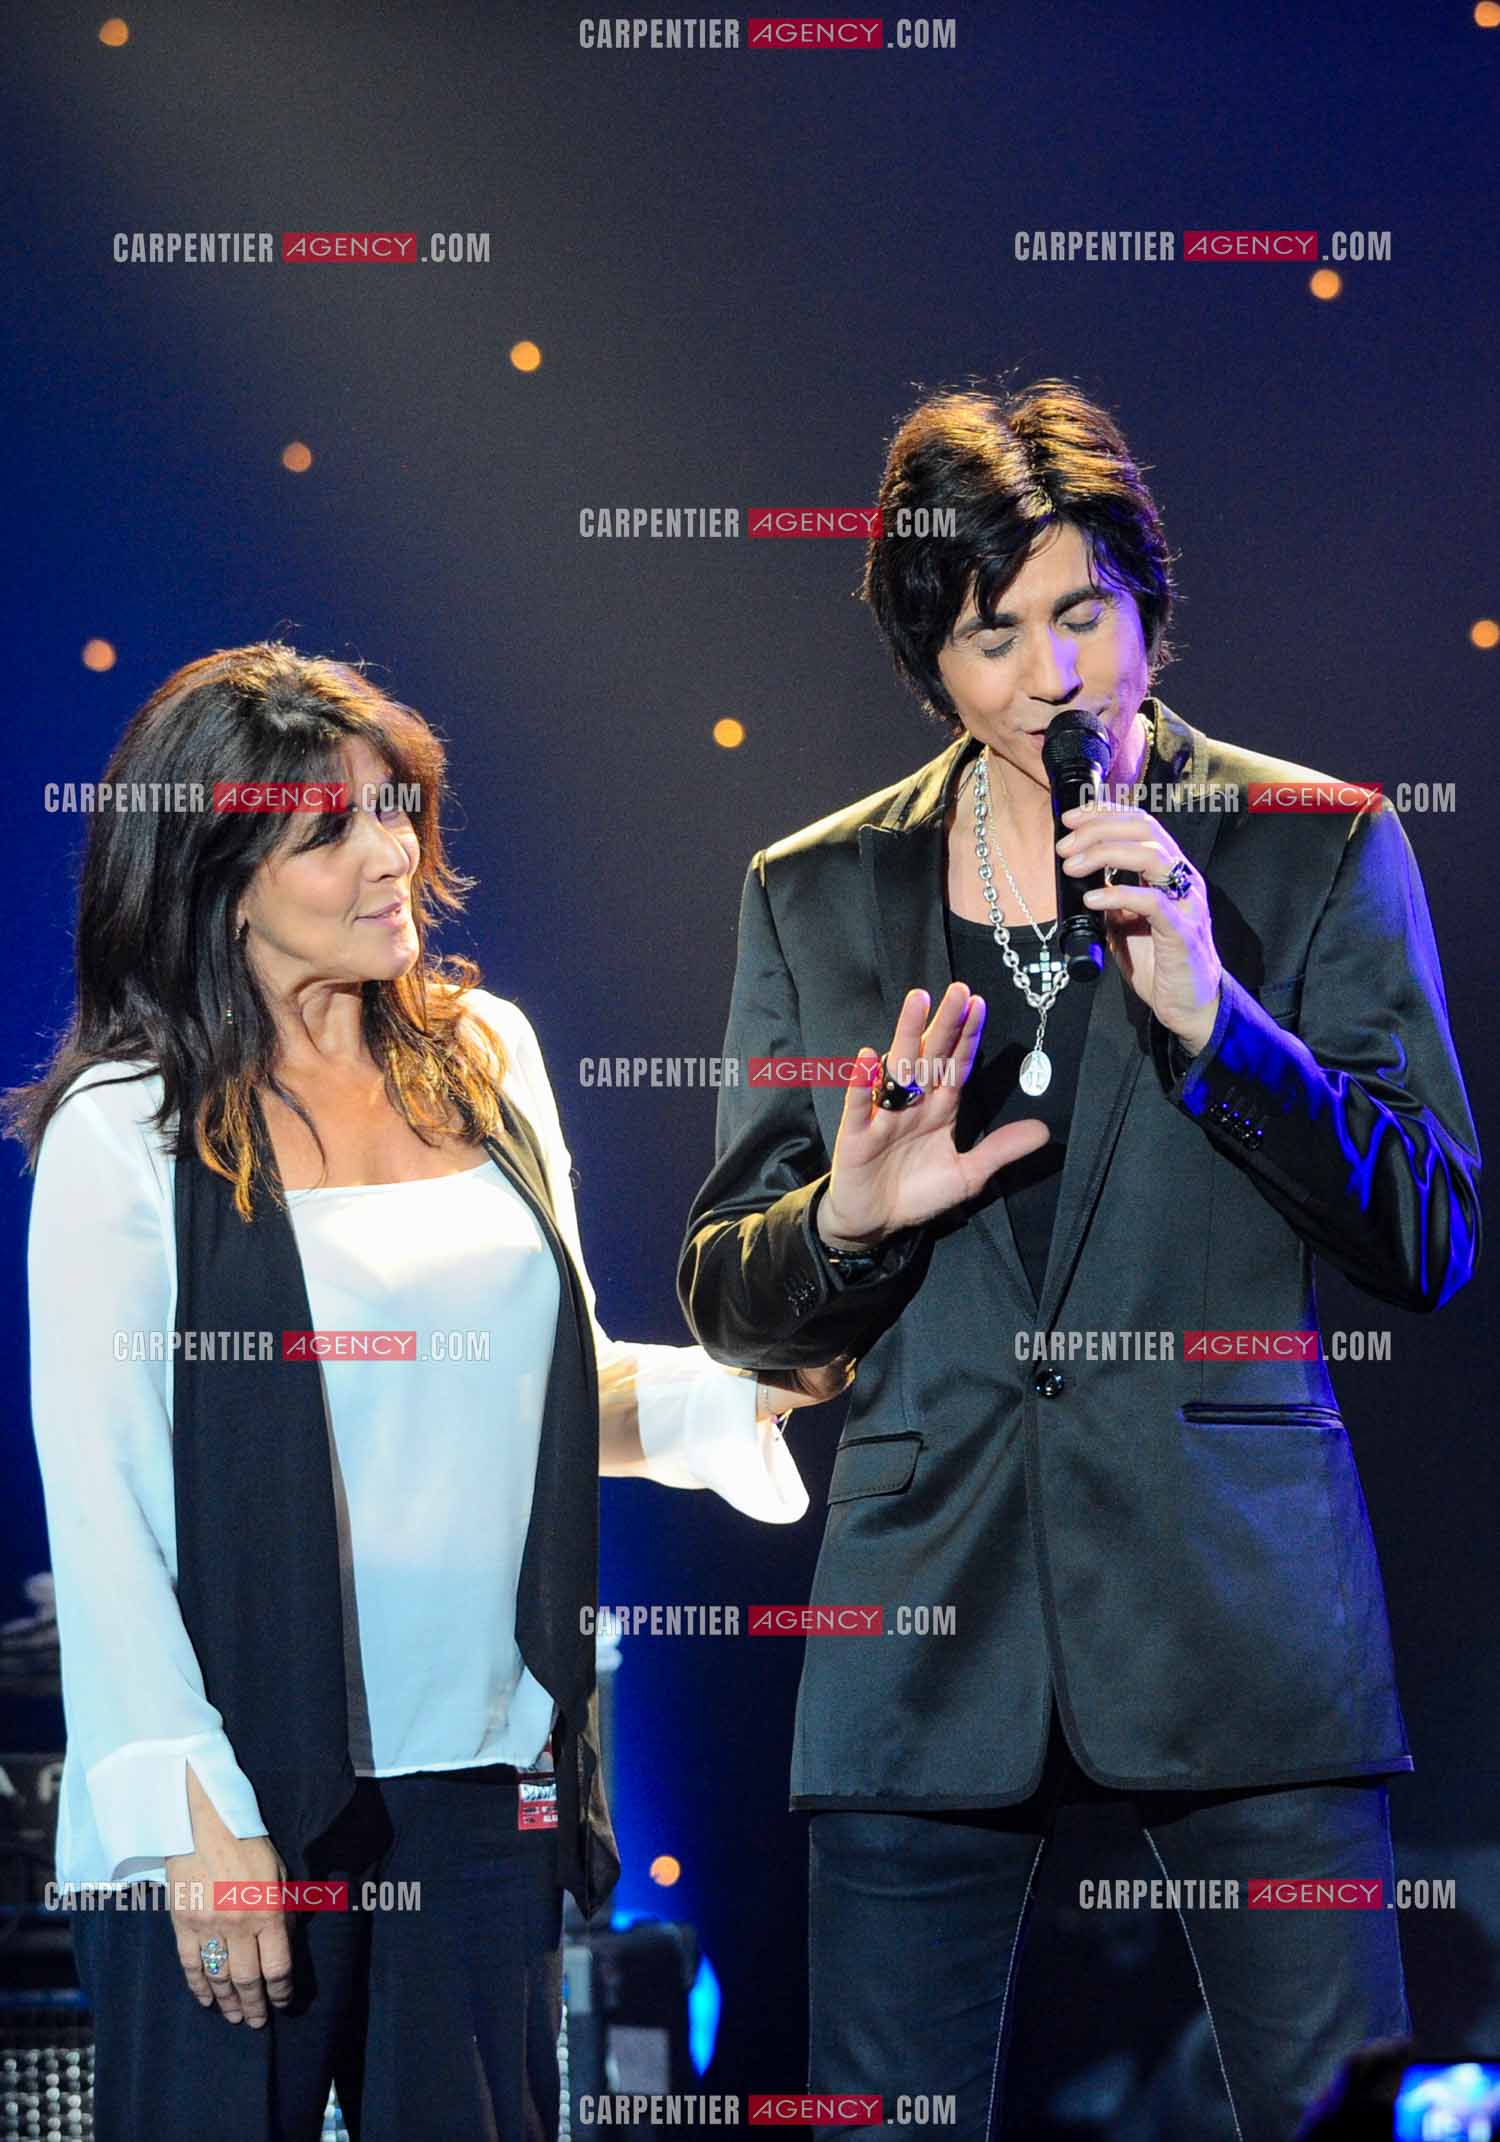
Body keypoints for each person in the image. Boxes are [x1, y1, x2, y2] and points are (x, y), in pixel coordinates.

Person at [676, 379, 1482, 2141]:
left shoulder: (1315, 841)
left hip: (1243, 1613)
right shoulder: (815, 893)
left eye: (1085, 615)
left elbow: (1435, 1230)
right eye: (996, 637)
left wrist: (1221, 1022)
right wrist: (846, 1220)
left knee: (1341, 2112)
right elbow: (728, 1293)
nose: (1055, 676)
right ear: (933, 665)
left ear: (1145, 608)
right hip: (921, 1610)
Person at [8, 642, 838, 2142]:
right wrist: (201, 1819)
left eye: (395, 806)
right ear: (216, 874)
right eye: (331, 830)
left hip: (485, 1778)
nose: (392, 852)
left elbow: (554, 1393)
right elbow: (108, 1505)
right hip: (242, 1789)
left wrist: (758, 1381)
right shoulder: (126, 1129)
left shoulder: (486, 1056)